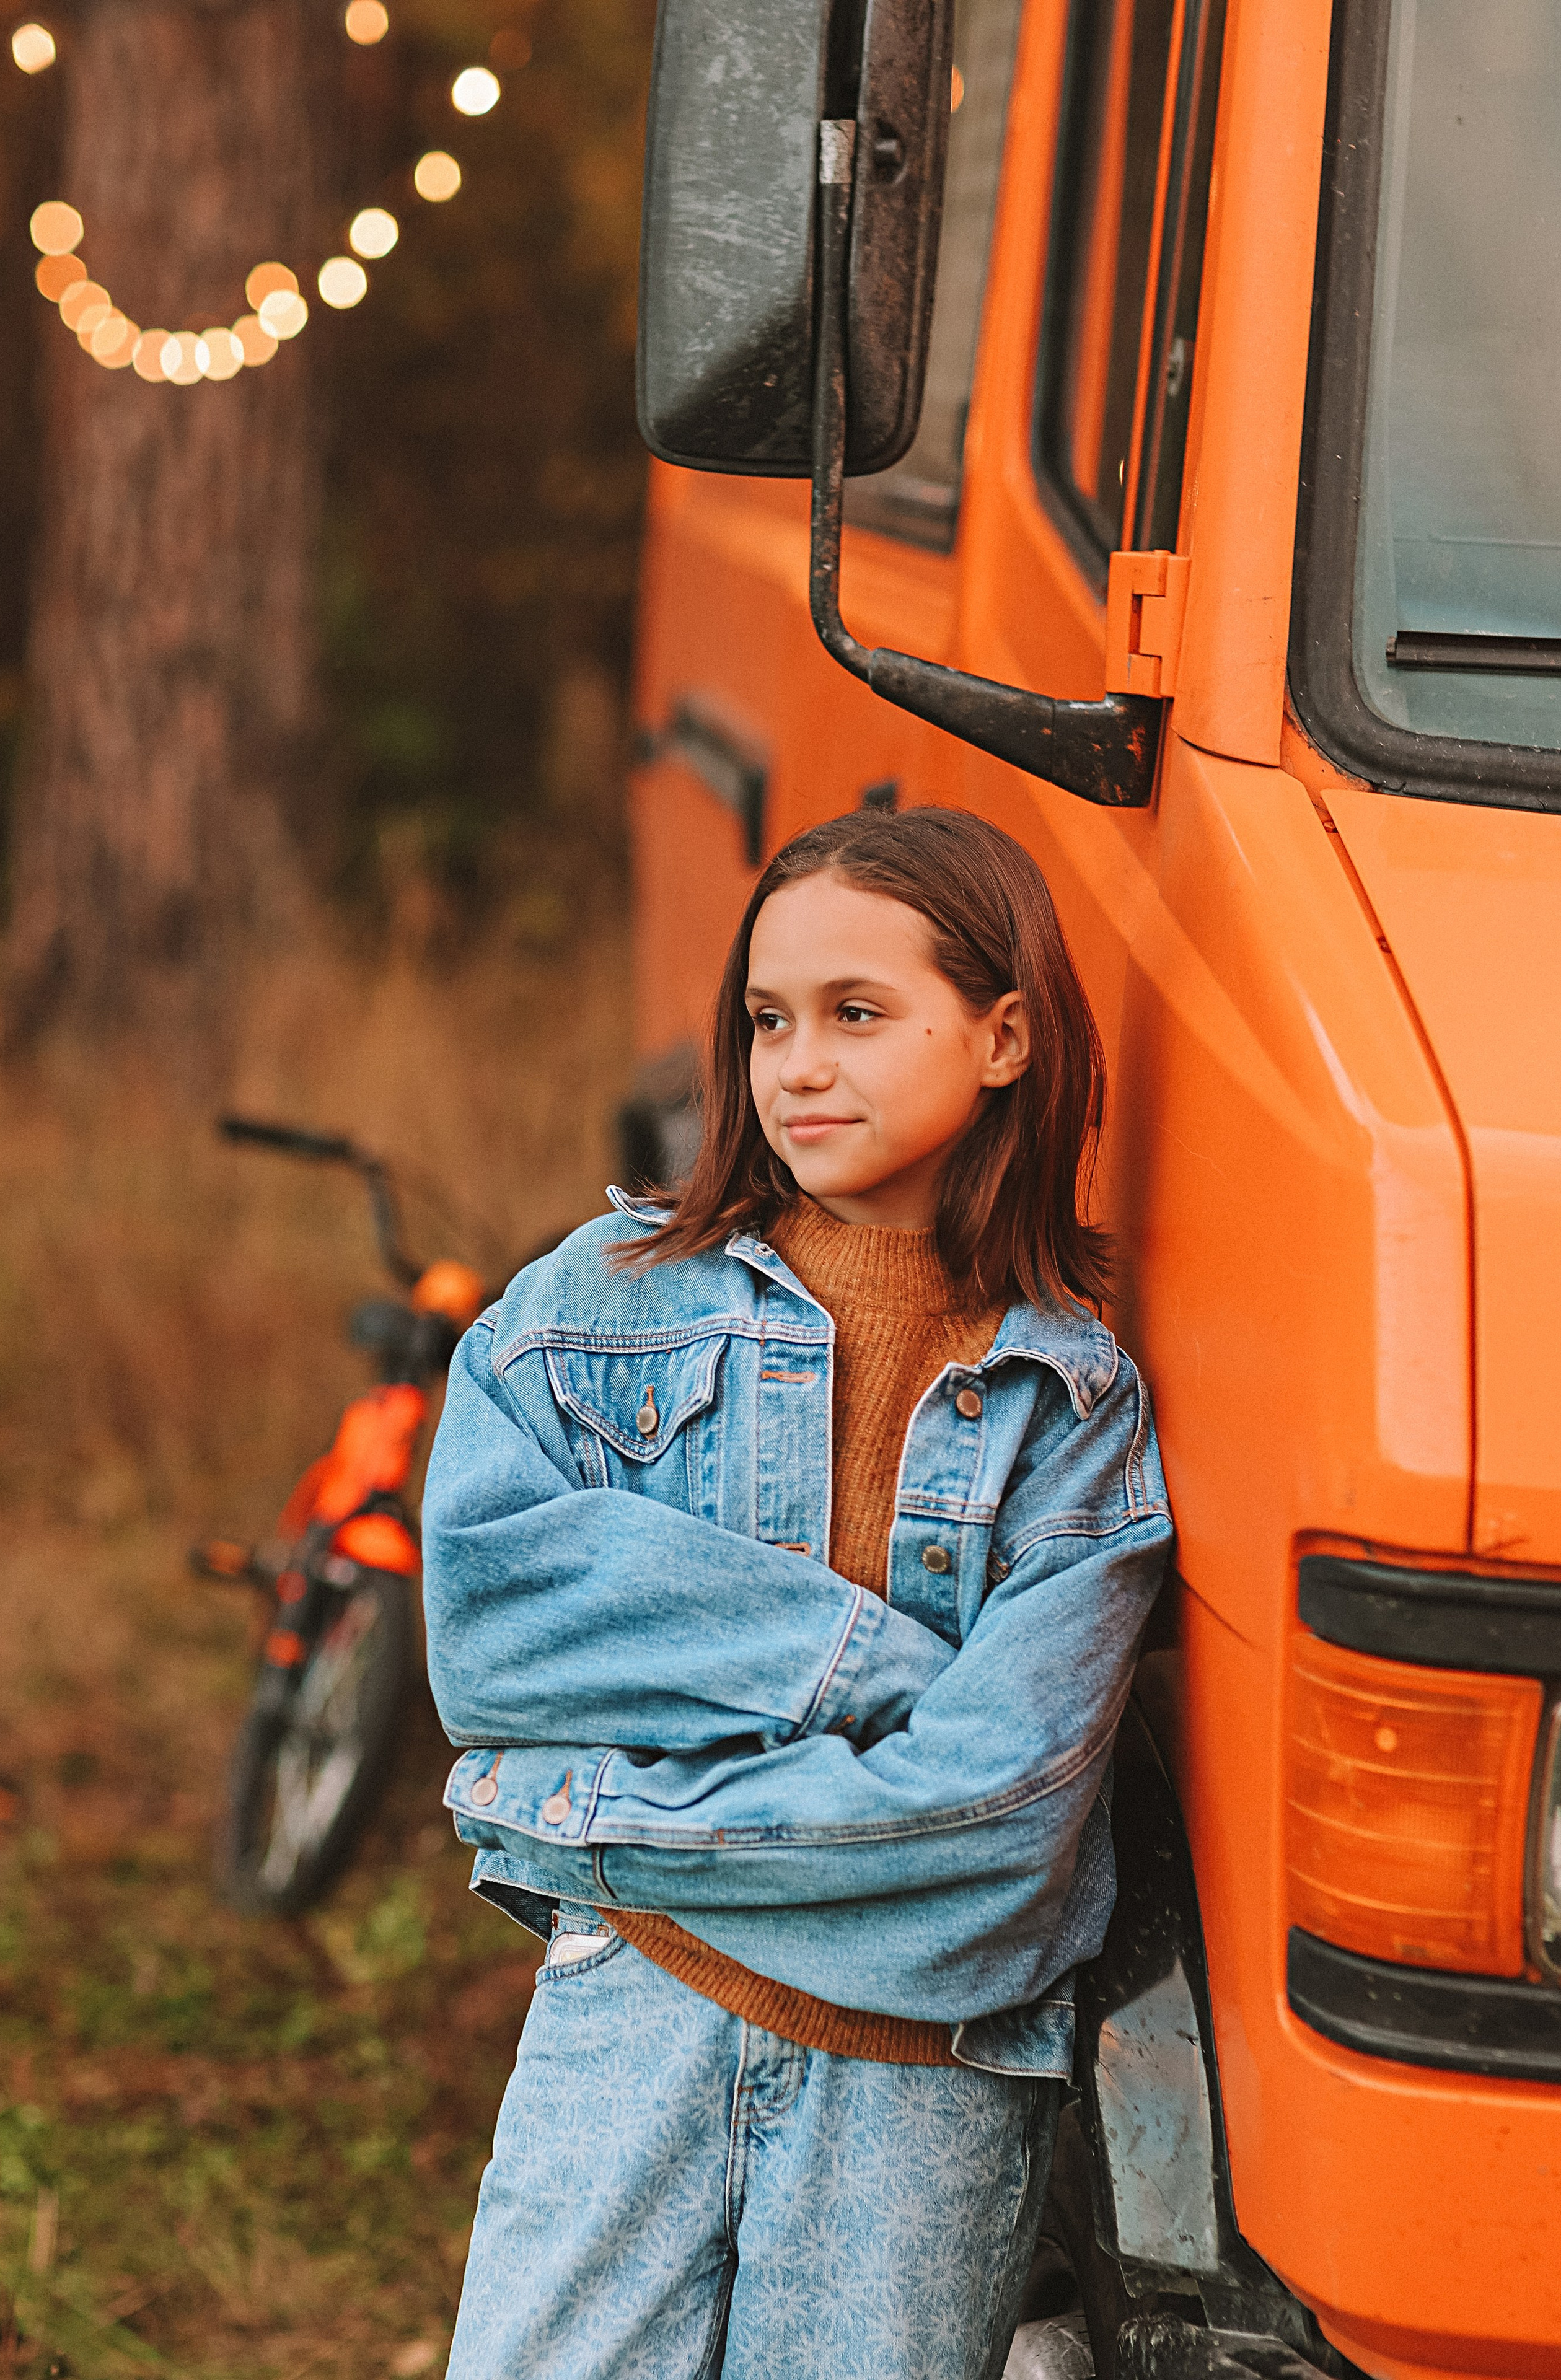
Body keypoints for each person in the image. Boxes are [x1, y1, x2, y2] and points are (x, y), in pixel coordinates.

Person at [423, 806, 1173, 2380]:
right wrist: (869, 1674)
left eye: (856, 1013)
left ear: (1003, 1037)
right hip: (633, 2013)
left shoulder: (1071, 1405)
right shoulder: (599, 1304)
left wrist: (603, 1823)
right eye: (768, 1019)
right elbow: (487, 1628)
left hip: (918, 2086)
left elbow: (993, 1832)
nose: (797, 1067)